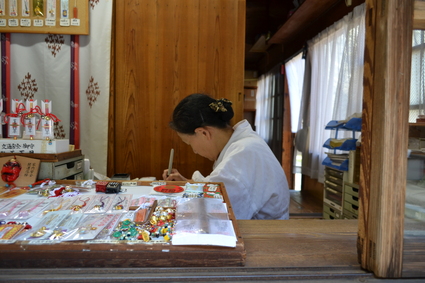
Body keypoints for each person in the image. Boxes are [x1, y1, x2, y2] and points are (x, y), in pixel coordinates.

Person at [162, 93, 290, 220]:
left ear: (203, 133)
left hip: (264, 234)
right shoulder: (243, 143)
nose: (194, 151)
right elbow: (217, 189)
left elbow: (216, 207)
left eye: (189, 143)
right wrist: (186, 184)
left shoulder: (244, 151)